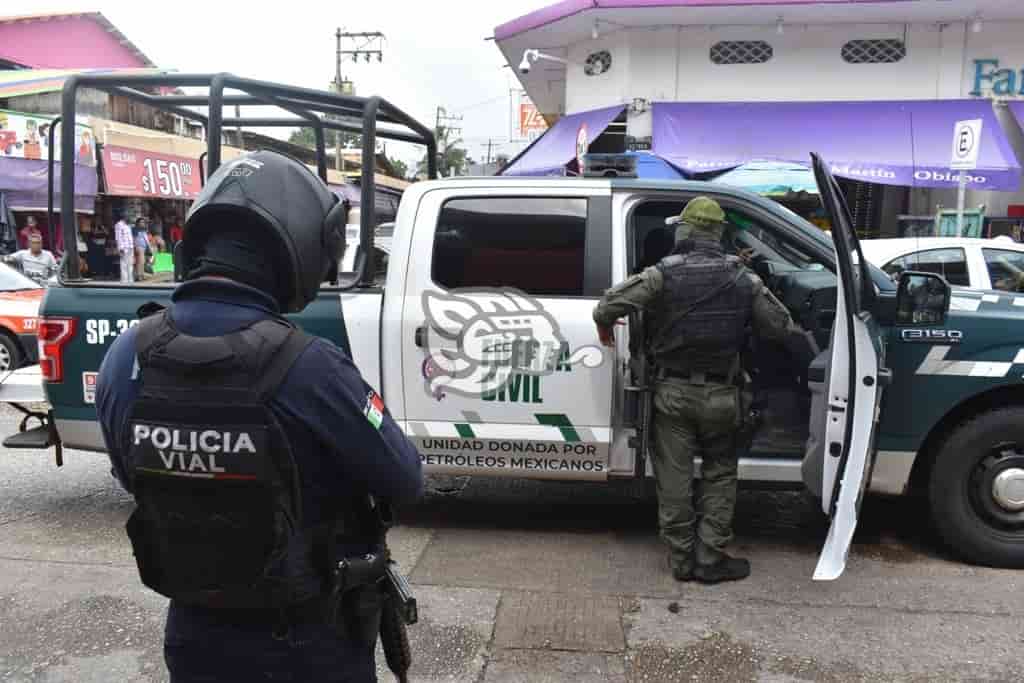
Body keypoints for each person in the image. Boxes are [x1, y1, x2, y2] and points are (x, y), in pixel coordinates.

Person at [95, 150, 423, 682]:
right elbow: (405, 478)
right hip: (309, 643)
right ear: (299, 249)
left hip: (195, 637)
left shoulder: (125, 355)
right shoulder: (310, 366)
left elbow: (132, 474)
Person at [593, 196, 817, 584]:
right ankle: (709, 557)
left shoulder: (661, 274)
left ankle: (681, 560)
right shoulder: (743, 278)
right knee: (719, 475)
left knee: (674, 478)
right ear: (718, 234)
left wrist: (605, 330)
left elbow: (607, 307)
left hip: (672, 394)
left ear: (684, 230)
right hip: (722, 397)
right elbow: (780, 328)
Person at [114, 212, 134, 283]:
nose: (129, 218)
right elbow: (118, 237)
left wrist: (132, 246)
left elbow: (130, 237)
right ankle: (124, 280)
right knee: (124, 264)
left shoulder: (128, 225)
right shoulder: (118, 225)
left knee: (130, 263)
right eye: (128, 216)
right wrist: (120, 248)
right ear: (124, 217)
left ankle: (130, 279)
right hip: (124, 247)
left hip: (130, 247)